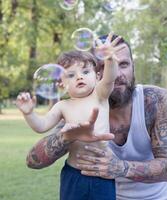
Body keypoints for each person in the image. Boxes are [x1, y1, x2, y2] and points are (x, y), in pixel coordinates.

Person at [26, 33, 167, 200]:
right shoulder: (77, 107)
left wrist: (119, 167)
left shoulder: (155, 100)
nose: (118, 74)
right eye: (103, 65)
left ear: (133, 66)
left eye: (124, 64)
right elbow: (33, 161)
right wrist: (65, 137)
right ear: (96, 74)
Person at [16, 33, 125, 200]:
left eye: (85, 71)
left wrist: (110, 58)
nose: (79, 76)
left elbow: (110, 78)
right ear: (62, 84)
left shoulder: (100, 95)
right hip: (73, 174)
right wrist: (29, 113)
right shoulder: (62, 105)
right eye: (71, 75)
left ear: (97, 77)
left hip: (102, 172)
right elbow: (42, 126)